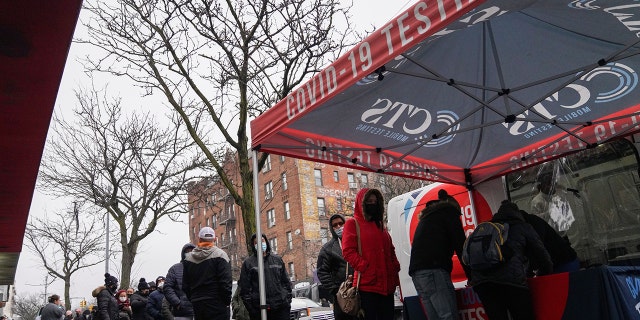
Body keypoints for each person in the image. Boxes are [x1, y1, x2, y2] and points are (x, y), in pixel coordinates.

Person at [467, 201, 553, 320]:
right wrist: (545, 273)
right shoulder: (522, 226)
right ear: (517, 213)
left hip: (483, 284)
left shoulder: (487, 228)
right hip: (512, 282)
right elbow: (542, 254)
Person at [408, 189, 469, 320]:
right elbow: (461, 246)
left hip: (417, 273)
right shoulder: (450, 213)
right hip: (433, 270)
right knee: (448, 316)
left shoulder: (428, 216)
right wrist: (471, 276)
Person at [342, 188, 401, 320]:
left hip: (387, 285)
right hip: (367, 286)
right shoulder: (353, 223)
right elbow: (348, 251)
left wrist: (394, 266)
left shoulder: (380, 225)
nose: (372, 204)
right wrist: (366, 267)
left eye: (375, 201)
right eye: (369, 201)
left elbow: (390, 249)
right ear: (362, 203)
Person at [182, 226, 232, 320]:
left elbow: (185, 286)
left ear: (199, 239)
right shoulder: (221, 255)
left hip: (198, 304)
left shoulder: (188, 259)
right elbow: (226, 282)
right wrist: (226, 302)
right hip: (217, 303)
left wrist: (194, 299)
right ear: (215, 239)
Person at [239, 233, 292, 320]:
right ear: (253, 245)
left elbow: (286, 282)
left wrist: (287, 301)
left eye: (262, 241)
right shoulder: (248, 264)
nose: (260, 244)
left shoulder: (277, 260)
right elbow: (245, 290)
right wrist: (252, 310)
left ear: (266, 242)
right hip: (260, 311)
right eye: (256, 242)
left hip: (280, 308)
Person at [316, 214, 356, 320]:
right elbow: (322, 272)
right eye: (335, 225)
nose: (338, 227)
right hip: (342, 297)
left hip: (360, 291)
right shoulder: (327, 249)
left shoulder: (356, 241)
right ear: (331, 228)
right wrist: (335, 291)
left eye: (340, 223)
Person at [520, 208, 580, 273]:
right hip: (563, 261)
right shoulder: (530, 221)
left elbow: (537, 250)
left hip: (564, 262)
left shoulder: (531, 223)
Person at [164, 243, 196, 320]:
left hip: (199, 310)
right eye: (187, 251)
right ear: (183, 254)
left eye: (192, 251)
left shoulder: (202, 267)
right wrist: (177, 303)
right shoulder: (175, 269)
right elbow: (167, 287)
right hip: (182, 312)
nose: (190, 253)